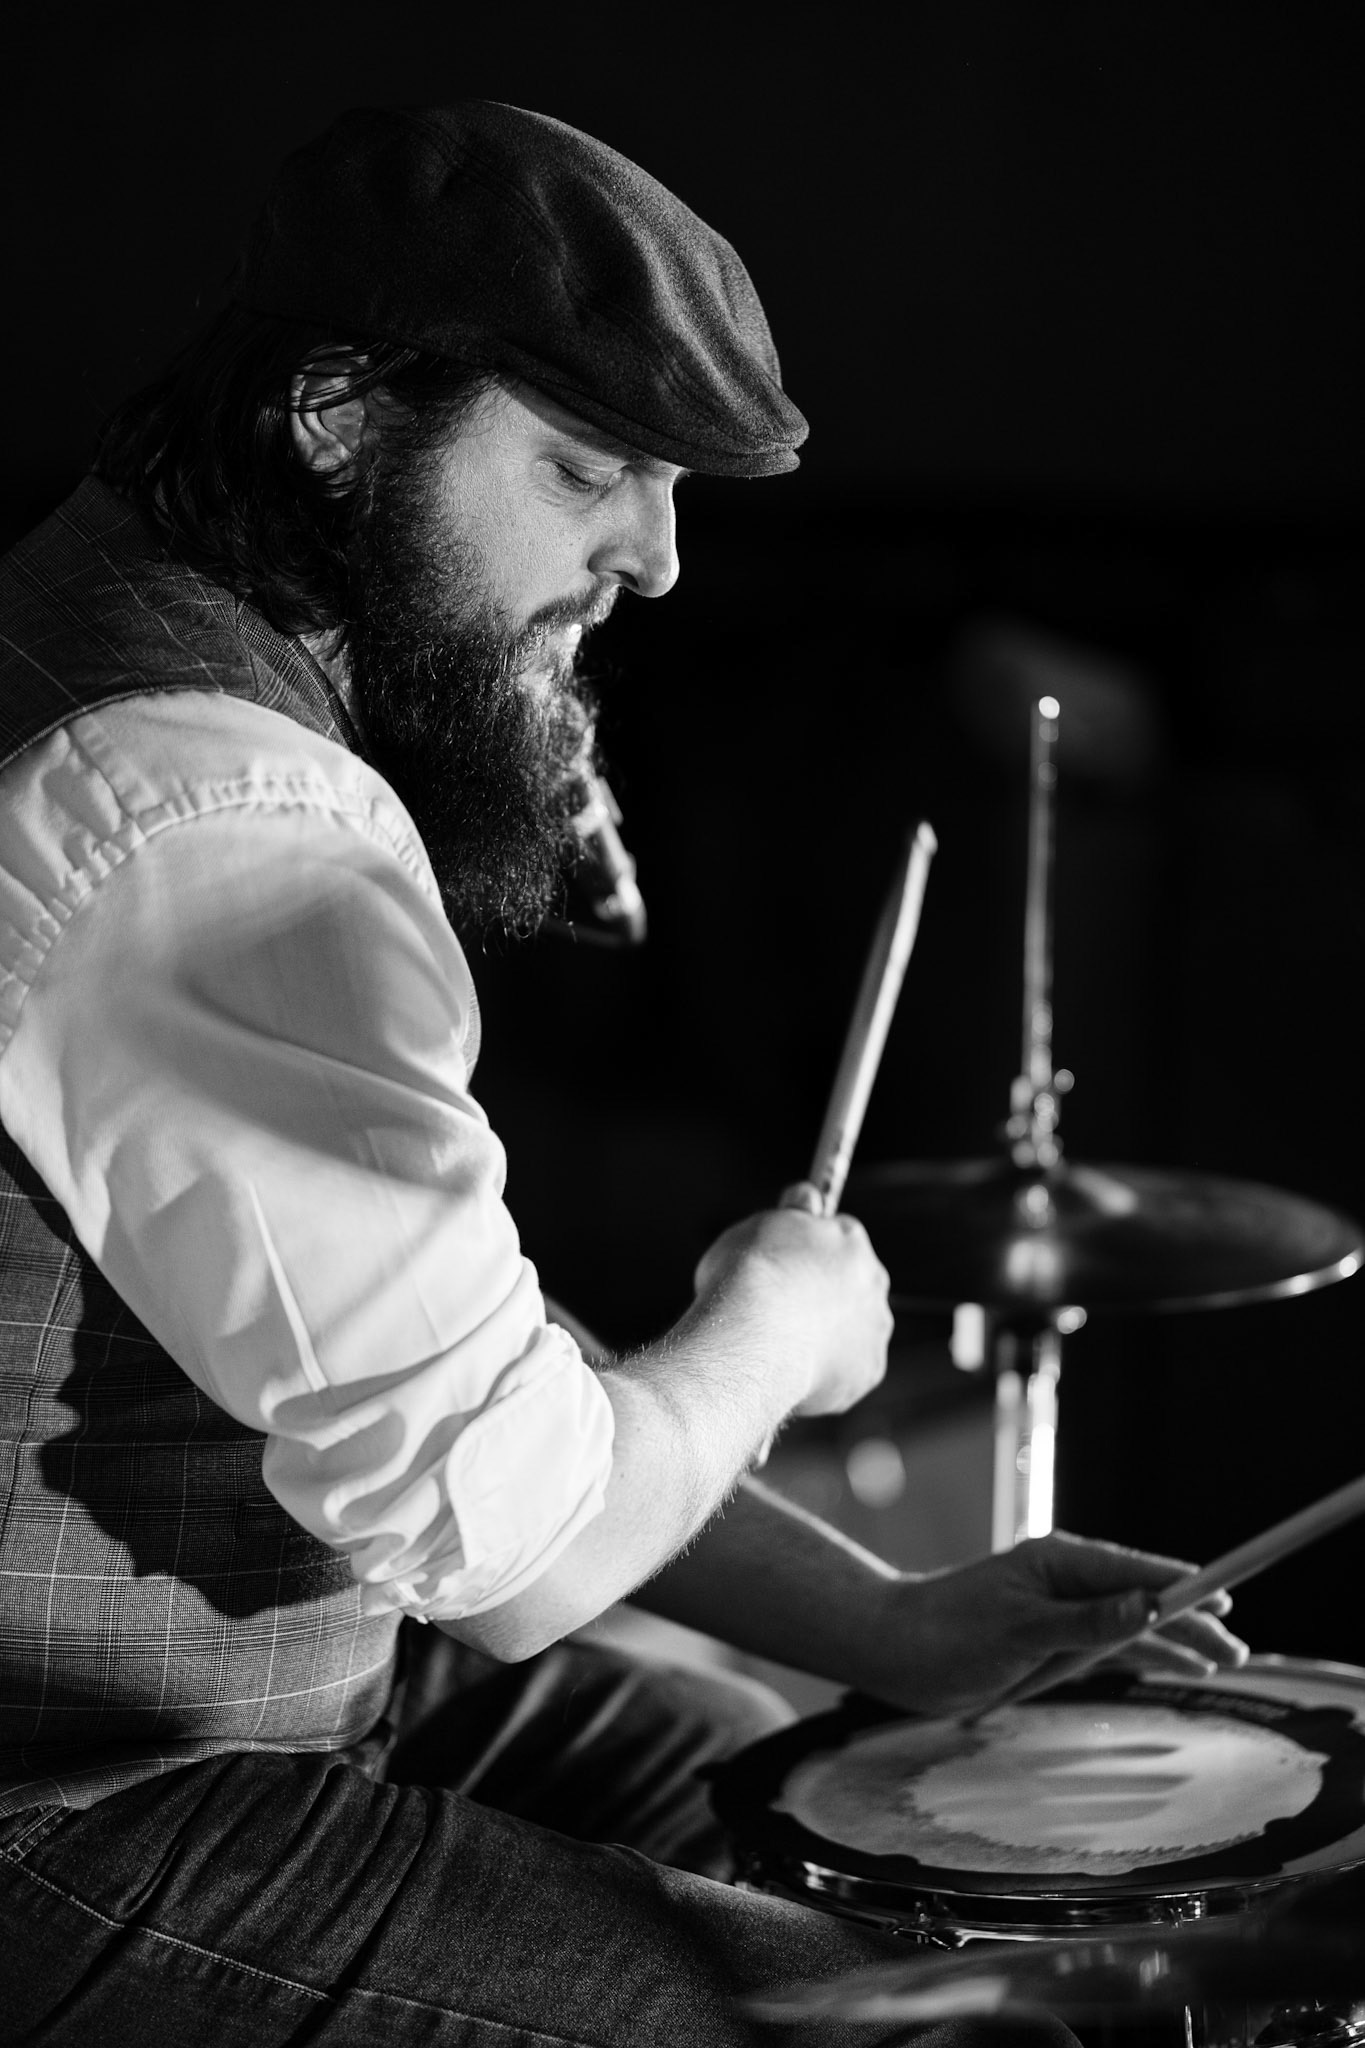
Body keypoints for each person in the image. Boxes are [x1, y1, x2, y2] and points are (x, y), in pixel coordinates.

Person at [0, 102, 1243, 2044]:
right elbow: (511, 1543)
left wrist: (885, 1621)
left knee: (798, 1786)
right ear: (338, 416)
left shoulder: (114, 642)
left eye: (664, 485)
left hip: (237, 1696)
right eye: (583, 467)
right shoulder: (210, 811)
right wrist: (772, 1331)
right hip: (73, 1803)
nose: (652, 560)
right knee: (961, 2026)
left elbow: (426, 1349)